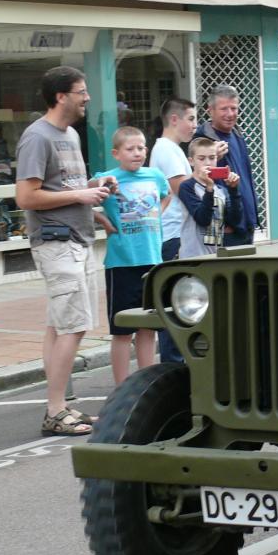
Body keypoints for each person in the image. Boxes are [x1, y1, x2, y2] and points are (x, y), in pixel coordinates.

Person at [15, 66, 117, 436]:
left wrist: (93, 194)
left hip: (76, 239)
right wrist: (81, 196)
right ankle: (55, 409)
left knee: (60, 327)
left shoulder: (70, 135)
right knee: (73, 327)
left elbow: (63, 187)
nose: (87, 97)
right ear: (61, 96)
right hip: (56, 242)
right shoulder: (36, 137)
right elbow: (26, 196)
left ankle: (60, 404)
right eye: (81, 91)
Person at [101, 127, 170, 384]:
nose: (137, 153)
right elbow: (83, 197)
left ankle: (145, 383)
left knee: (148, 328)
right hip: (121, 263)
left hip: (152, 262)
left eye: (141, 148)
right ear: (116, 153)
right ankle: (121, 386)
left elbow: (167, 195)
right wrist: (100, 217)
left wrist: (156, 213)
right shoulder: (108, 178)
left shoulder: (155, 176)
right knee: (122, 330)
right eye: (130, 149)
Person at [152, 97, 198, 364]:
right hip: (172, 236)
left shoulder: (172, 149)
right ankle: (173, 365)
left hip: (176, 234)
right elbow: (184, 189)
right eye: (190, 119)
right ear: (174, 119)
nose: (194, 125)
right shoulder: (167, 150)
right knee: (174, 304)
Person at [195, 85, 259, 246]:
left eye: (234, 108)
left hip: (246, 225)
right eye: (224, 109)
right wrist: (211, 156)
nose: (230, 114)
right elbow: (196, 182)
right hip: (226, 231)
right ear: (210, 110)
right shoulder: (201, 140)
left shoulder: (237, 134)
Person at [178, 137, 243, 257]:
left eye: (212, 158)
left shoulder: (220, 190)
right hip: (192, 257)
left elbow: (235, 221)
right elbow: (203, 219)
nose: (208, 163)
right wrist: (209, 188)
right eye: (201, 158)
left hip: (215, 256)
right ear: (191, 161)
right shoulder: (187, 187)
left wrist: (234, 190)